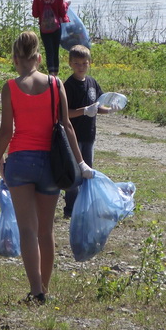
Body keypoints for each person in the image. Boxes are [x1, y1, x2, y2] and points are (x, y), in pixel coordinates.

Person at [0, 31, 93, 303]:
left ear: (15, 59)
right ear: (37, 57)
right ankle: (44, 288)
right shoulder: (56, 83)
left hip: (20, 163)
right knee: (46, 231)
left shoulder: (10, 87)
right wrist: (81, 162)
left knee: (27, 230)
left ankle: (35, 291)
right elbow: (67, 125)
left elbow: (6, 131)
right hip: (50, 163)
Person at [62, 44, 112, 218]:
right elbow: (65, 113)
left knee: (88, 171)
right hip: (74, 137)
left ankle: (85, 206)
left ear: (89, 63)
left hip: (89, 136)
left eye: (84, 63)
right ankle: (70, 209)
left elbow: (99, 105)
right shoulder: (68, 85)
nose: (81, 67)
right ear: (70, 64)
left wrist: (109, 109)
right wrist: (83, 111)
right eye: (77, 63)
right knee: (75, 173)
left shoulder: (92, 83)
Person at [31, 0, 69, 77]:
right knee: (55, 49)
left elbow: (35, 14)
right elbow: (62, 12)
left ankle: (50, 72)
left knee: (48, 50)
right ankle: (55, 73)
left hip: (44, 28)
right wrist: (66, 4)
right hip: (56, 28)